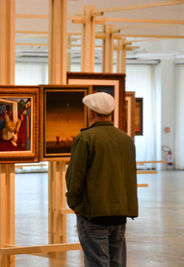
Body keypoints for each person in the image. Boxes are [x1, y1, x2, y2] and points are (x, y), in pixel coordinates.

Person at [65, 92, 138, 267]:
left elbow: (75, 176)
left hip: (93, 214)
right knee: (117, 263)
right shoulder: (125, 139)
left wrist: (74, 204)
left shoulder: (86, 138)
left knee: (97, 262)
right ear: (110, 113)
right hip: (120, 214)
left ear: (91, 113)